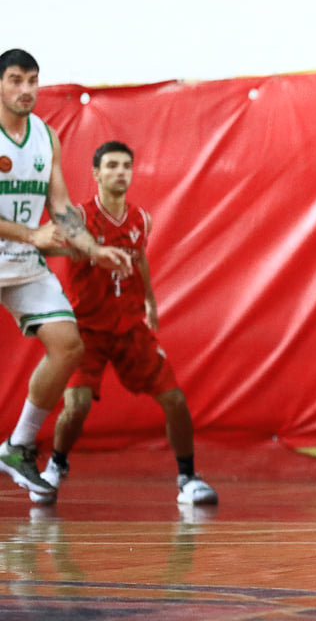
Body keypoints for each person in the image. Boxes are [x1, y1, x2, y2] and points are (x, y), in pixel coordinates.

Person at [29, 140, 218, 507]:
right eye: (112, 165)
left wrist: (149, 299)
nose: (120, 172)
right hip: (88, 329)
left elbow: (140, 258)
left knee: (175, 399)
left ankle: (187, 478)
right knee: (77, 405)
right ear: (96, 174)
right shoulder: (79, 218)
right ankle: (56, 465)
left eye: (126, 166)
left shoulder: (140, 219)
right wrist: (80, 250)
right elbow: (41, 244)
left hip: (130, 327)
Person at [0, 48, 133, 500]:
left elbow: (59, 205)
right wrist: (29, 234)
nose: (26, 90)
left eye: (32, 80)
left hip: (20, 259)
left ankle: (18, 446)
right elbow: (38, 229)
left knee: (68, 345)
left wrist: (95, 249)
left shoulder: (45, 136)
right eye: (15, 80)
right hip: (22, 241)